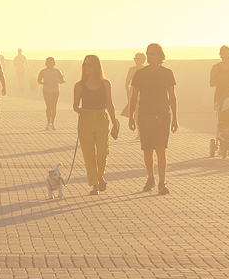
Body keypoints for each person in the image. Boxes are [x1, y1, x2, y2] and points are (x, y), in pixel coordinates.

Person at [127, 43, 178, 194]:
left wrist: (175, 118)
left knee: (161, 149)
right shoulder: (140, 74)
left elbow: (172, 96)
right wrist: (131, 117)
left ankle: (162, 182)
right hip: (144, 115)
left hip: (163, 116)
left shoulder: (167, 73)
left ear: (160, 56)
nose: (149, 57)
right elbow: (134, 97)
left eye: (153, 54)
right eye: (148, 54)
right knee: (147, 150)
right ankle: (151, 178)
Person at [73, 55, 121, 194]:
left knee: (102, 152)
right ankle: (95, 184)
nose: (87, 67)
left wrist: (114, 123)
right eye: (85, 65)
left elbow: (110, 104)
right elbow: (75, 105)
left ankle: (100, 175)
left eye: (90, 65)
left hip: (101, 118)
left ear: (96, 66)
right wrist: (80, 110)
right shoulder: (79, 85)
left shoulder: (105, 84)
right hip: (86, 120)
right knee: (88, 154)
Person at [209, 45, 229, 120]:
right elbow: (212, 84)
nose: (225, 56)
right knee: (222, 117)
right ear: (220, 55)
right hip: (220, 95)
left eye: (227, 54)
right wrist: (220, 77)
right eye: (223, 54)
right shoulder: (216, 67)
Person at [37, 57, 65, 130]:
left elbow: (63, 80)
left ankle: (53, 123)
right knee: (49, 106)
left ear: (54, 63)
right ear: (46, 63)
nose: (50, 64)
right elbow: (38, 80)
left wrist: (58, 81)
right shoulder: (43, 71)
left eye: (52, 63)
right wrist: (43, 83)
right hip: (46, 91)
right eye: (49, 63)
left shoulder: (57, 71)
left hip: (55, 91)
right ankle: (48, 122)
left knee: (54, 107)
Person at [120, 52, 146, 131]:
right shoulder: (132, 69)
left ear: (143, 60)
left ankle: (141, 132)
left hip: (144, 94)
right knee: (136, 113)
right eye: (135, 59)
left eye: (138, 59)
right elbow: (127, 82)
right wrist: (128, 93)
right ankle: (139, 132)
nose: (136, 61)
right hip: (134, 93)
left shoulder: (146, 69)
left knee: (142, 113)